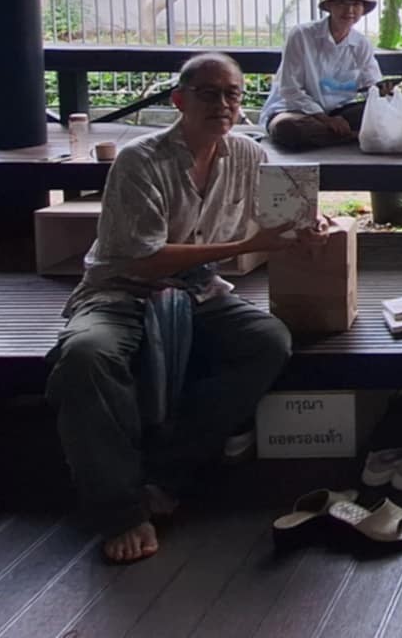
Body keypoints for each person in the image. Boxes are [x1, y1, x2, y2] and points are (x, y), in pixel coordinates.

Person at [46, 53, 315, 565]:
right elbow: (143, 259)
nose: (223, 104)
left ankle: (165, 473)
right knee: (86, 355)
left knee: (267, 341)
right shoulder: (140, 160)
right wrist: (246, 246)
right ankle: (120, 510)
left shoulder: (247, 154)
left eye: (232, 94)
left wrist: (306, 228)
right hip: (121, 289)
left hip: (197, 290)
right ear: (178, 100)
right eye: (209, 94)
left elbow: (276, 218)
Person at [261, 0, 382, 150]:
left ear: (363, 10)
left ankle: (341, 135)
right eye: (341, 3)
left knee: (382, 113)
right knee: (287, 129)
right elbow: (290, 90)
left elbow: (372, 84)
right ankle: (356, 136)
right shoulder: (301, 35)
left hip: (339, 112)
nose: (349, 10)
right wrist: (325, 120)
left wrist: (383, 92)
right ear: (329, 6)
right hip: (294, 111)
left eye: (356, 4)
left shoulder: (361, 44)